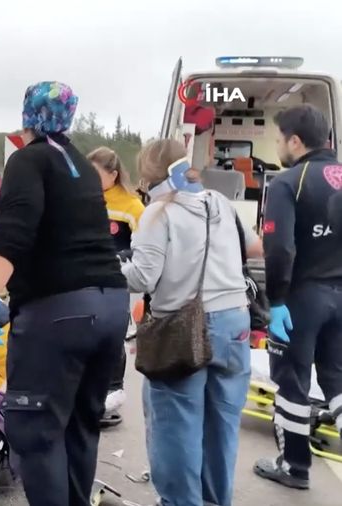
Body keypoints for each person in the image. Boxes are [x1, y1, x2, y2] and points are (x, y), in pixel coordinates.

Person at [0, 81, 129, 506]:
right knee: (80, 426)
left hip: (61, 312)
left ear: (27, 115)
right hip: (111, 305)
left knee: (37, 432)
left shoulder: (30, 159)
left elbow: (15, 231)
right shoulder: (79, 162)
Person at [121, 139, 251, 506]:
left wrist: (109, 269)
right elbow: (252, 246)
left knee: (176, 429)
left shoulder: (158, 212)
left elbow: (144, 278)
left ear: (149, 173)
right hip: (235, 324)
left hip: (183, 329)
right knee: (221, 428)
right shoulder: (220, 202)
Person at [254, 104, 342, 490]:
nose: (277, 146)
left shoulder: (290, 180)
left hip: (302, 299)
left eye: (278, 138)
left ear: (294, 140)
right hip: (341, 295)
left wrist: (275, 302)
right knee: (338, 382)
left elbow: (279, 249)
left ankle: (295, 466)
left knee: (292, 383)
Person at [87, 147, 146, 427]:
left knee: (112, 335)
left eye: (96, 174)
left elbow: (146, 248)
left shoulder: (132, 206)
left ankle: (113, 389)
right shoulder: (83, 198)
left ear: (114, 174)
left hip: (114, 283)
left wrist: (120, 258)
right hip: (85, 281)